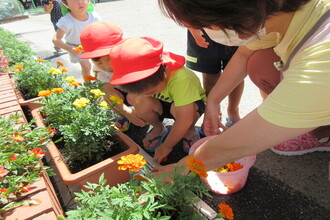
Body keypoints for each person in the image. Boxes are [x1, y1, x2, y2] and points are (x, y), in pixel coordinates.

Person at [153, 0, 330, 174]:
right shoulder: (275, 13)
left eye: (204, 27)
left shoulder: (319, 66)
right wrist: (213, 100)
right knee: (260, 63)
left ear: (240, 23)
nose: (204, 33)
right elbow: (244, 54)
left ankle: (323, 134)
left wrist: (179, 170)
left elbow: (239, 143)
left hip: (319, 87)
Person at [109, 37, 207, 162]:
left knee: (181, 113)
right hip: (163, 103)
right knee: (138, 100)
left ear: (166, 71)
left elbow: (184, 118)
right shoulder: (149, 80)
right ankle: (159, 127)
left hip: (189, 106)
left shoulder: (181, 79)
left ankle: (190, 131)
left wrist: (166, 146)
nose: (147, 94)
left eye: (152, 91)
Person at [79, 21, 145, 131]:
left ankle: (143, 114)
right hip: (118, 92)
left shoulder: (130, 59)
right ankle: (123, 116)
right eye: (98, 62)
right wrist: (126, 112)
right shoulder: (97, 69)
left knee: (133, 97)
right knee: (107, 97)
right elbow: (109, 91)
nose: (106, 66)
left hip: (137, 91)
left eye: (109, 58)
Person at [186, 27, 242, 127]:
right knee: (209, 73)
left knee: (236, 74)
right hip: (202, 29)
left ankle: (233, 111)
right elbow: (182, 11)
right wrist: (192, 29)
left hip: (234, 26)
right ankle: (213, 113)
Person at [52, 0, 101, 80]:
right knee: (86, 66)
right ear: (65, 3)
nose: (80, 2)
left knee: (100, 63)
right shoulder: (67, 21)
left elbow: (101, 32)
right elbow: (56, 39)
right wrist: (70, 48)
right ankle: (87, 85)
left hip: (91, 44)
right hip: (76, 48)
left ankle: (104, 83)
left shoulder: (94, 17)